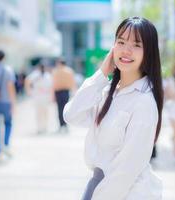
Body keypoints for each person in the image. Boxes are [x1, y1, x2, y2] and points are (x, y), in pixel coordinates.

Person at [64, 17, 163, 200]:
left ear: (148, 52)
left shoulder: (143, 102)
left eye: (136, 44)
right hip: (99, 184)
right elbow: (71, 115)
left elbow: (127, 169)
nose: (126, 50)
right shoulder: (107, 92)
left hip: (125, 192)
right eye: (121, 42)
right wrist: (102, 74)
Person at [25, 64, 53, 134]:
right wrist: (29, 91)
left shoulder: (47, 75)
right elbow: (27, 81)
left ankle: (44, 127)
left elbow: (51, 85)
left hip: (45, 96)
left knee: (44, 112)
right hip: (38, 96)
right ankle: (40, 127)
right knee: (40, 112)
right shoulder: (35, 75)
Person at [52, 58, 76, 133]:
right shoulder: (69, 71)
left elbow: (53, 84)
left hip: (58, 91)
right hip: (66, 91)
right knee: (66, 108)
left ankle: (61, 125)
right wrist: (74, 92)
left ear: (59, 63)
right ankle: (65, 125)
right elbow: (72, 82)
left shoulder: (55, 71)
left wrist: (52, 94)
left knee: (59, 109)